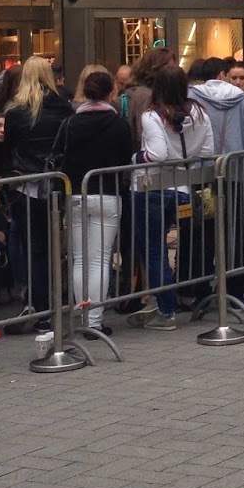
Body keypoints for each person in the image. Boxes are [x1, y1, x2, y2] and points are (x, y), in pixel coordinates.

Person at [128, 64, 214, 330]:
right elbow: (208, 150)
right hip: (185, 187)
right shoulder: (200, 113)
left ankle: (166, 311)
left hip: (153, 187)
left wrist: (135, 158)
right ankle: (189, 297)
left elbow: (157, 154)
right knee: (189, 245)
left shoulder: (152, 116)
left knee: (155, 250)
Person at [57, 70, 135, 336]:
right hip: (108, 193)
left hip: (76, 193)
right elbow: (128, 158)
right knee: (100, 260)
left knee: (79, 259)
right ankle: (95, 320)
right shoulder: (119, 124)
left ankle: (83, 315)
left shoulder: (70, 123)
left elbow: (59, 155)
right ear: (111, 93)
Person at [3, 57, 74, 337]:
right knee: (53, 247)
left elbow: (8, 151)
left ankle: (40, 305)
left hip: (25, 186)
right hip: (55, 184)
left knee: (33, 248)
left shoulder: (16, 112)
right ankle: (52, 305)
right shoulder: (64, 109)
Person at [189, 57, 244, 153]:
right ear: (222, 75)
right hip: (235, 159)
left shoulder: (193, 94)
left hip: (203, 159)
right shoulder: (238, 95)